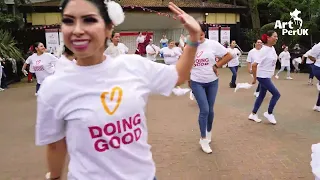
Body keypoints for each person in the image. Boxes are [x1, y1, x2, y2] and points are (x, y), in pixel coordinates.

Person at [35, 0, 202, 179]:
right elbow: (55, 145)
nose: (77, 30)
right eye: (68, 21)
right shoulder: (54, 87)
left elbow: (178, 76)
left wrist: (193, 39)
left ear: (109, 28)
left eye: (89, 20)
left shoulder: (133, 65)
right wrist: (54, 176)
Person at [190, 24, 232, 153]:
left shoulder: (213, 44)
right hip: (197, 82)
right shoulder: (189, 46)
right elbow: (187, 64)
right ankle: (203, 139)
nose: (199, 37)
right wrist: (188, 80)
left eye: (201, 34)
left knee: (211, 110)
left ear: (205, 33)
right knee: (204, 110)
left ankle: (208, 132)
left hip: (212, 81)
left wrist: (217, 65)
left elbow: (229, 55)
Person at [249, 30, 281, 124]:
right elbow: (254, 65)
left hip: (267, 75)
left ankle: (253, 114)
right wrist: (255, 78)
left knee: (262, 95)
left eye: (277, 36)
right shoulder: (264, 50)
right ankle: (269, 113)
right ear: (268, 37)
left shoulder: (272, 48)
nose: (276, 38)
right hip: (263, 76)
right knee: (276, 94)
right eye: (274, 36)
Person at [307, 42, 320, 112]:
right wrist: (316, 60)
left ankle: (317, 106)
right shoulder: (318, 46)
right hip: (318, 68)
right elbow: (309, 55)